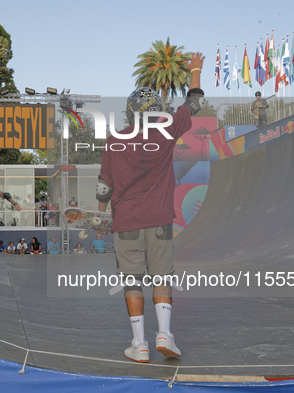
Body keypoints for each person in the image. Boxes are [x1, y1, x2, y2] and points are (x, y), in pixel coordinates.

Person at [97, 52, 205, 362]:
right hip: (159, 222)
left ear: (130, 113)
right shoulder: (167, 131)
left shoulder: (115, 140)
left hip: (127, 223)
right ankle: (165, 335)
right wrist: (195, 68)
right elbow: (194, 102)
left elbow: (104, 188)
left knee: (132, 281)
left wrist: (101, 214)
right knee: (162, 278)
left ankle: (139, 344)